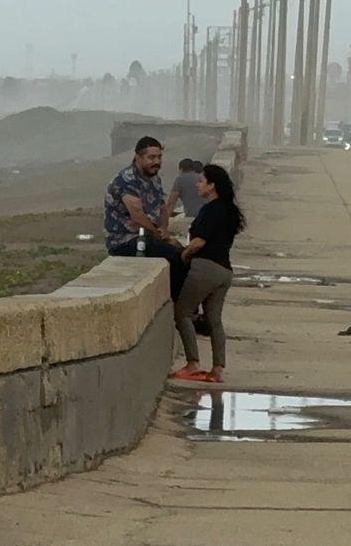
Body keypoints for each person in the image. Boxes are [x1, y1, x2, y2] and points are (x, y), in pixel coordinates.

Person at [170, 163, 245, 383]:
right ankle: (218, 369)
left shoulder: (210, 210)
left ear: (212, 186)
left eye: (202, 181)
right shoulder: (229, 211)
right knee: (214, 321)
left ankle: (193, 363)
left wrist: (183, 255)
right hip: (224, 271)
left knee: (182, 313)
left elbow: (199, 242)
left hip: (205, 268)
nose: (197, 184)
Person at [103, 136, 185, 297]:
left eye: (159, 157)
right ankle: (178, 306)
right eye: (151, 157)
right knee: (176, 257)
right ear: (138, 157)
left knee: (184, 254)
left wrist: (164, 230)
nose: (156, 161)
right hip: (126, 241)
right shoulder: (125, 180)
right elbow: (138, 216)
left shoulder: (154, 179)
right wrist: (160, 237)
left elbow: (162, 209)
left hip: (148, 238)